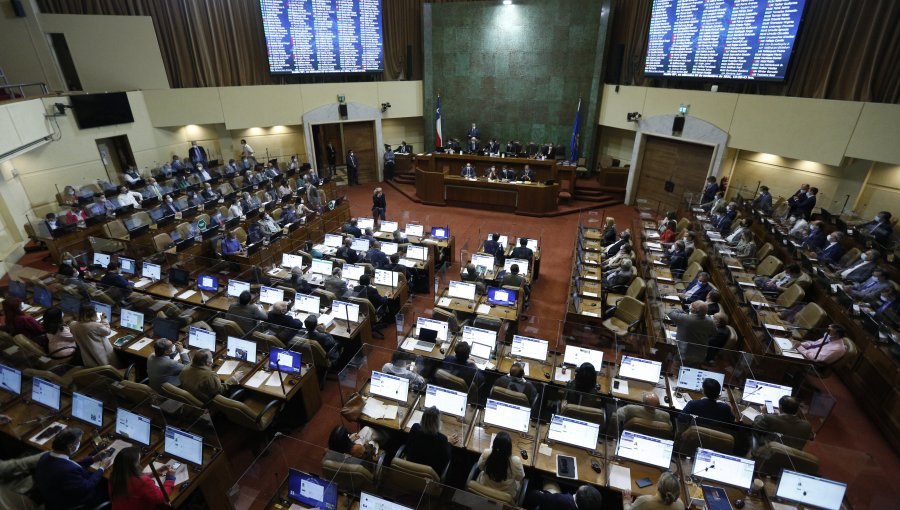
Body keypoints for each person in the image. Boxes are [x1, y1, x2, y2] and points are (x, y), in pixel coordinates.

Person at [35, 427, 111, 510]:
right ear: (71, 446)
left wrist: (93, 459)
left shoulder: (45, 457)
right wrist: (102, 468)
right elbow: (87, 487)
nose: (79, 444)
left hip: (55, 496)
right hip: (74, 503)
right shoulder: (68, 471)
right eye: (78, 442)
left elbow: (70, 465)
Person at [109, 446, 175, 510]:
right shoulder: (143, 482)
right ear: (134, 465)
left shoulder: (114, 475)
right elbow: (161, 498)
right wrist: (170, 478)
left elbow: (132, 479)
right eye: (138, 461)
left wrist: (152, 474)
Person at [404, 406, 456, 475]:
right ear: (437, 423)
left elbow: (407, 446)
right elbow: (446, 459)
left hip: (409, 470)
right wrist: (449, 443)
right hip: (429, 476)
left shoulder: (415, 428)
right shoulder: (442, 439)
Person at [180, 349, 245, 402]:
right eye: (211, 358)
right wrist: (233, 378)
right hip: (209, 401)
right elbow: (220, 391)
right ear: (208, 363)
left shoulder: (185, 369)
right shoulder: (209, 375)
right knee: (241, 389)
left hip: (195, 397)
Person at [476, 432, 525, 500]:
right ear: (509, 448)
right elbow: (520, 478)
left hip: (484, 490)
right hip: (505, 495)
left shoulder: (486, 453)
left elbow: (480, 467)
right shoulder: (516, 462)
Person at [70, 304, 121, 368]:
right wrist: (104, 320)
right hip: (103, 357)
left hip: (88, 358)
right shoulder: (96, 326)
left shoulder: (73, 325)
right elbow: (108, 331)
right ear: (93, 314)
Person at [669, 301, 717, 365]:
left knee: (676, 370)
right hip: (700, 355)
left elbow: (670, 313)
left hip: (684, 353)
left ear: (692, 309)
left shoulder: (685, 318)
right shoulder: (711, 322)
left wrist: (682, 310)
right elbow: (714, 334)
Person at [524, 484, 603, 510]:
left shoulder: (561, 499)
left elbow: (534, 496)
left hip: (548, 501)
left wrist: (541, 493)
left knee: (550, 482)